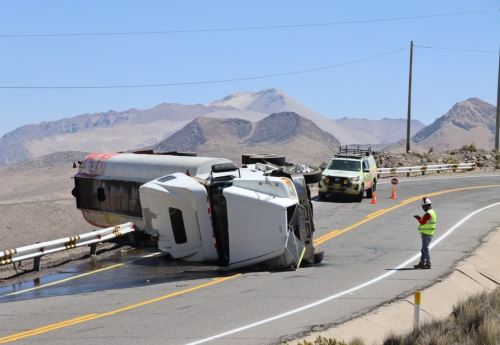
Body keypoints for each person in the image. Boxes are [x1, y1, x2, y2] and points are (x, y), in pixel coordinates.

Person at [413, 197, 436, 269]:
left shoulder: (429, 213)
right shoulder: (432, 212)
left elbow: (422, 222)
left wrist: (417, 218)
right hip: (428, 233)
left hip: (427, 233)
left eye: (423, 207)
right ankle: (422, 263)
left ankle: (428, 263)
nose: (423, 208)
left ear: (426, 206)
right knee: (423, 249)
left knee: (425, 249)